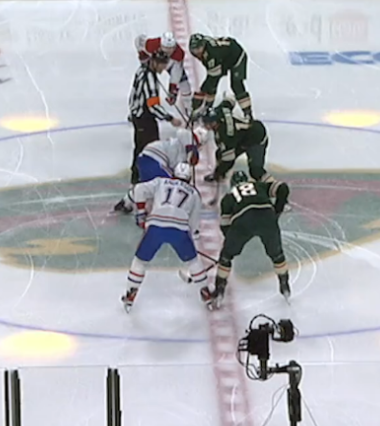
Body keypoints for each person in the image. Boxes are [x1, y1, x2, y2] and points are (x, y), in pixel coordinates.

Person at [121, 163, 210, 312]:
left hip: (156, 225)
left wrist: (141, 213)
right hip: (180, 228)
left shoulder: (160, 181)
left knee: (140, 261)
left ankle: (131, 293)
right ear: (189, 178)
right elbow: (194, 224)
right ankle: (205, 293)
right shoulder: (194, 193)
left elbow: (138, 190)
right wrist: (191, 240)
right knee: (193, 261)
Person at [209, 171, 290, 309]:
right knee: (277, 255)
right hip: (267, 216)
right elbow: (283, 188)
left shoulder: (228, 197)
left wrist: (230, 247)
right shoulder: (260, 185)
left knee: (226, 257)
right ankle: (284, 284)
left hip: (243, 220)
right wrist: (276, 212)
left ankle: (219, 291)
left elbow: (225, 227)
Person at [126, 52, 184, 195]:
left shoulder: (142, 69)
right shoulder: (150, 79)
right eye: (163, 65)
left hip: (138, 117)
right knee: (150, 149)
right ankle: (144, 180)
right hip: (144, 118)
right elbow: (153, 106)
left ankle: (136, 177)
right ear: (156, 63)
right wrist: (170, 118)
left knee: (140, 147)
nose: (164, 69)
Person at [113, 128, 200, 213]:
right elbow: (183, 133)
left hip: (147, 158)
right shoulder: (187, 138)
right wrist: (191, 149)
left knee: (149, 186)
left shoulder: (180, 148)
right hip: (154, 158)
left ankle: (126, 201)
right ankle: (163, 208)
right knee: (167, 184)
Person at [200, 98, 268, 182]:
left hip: (257, 139)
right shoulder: (220, 110)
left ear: (214, 123)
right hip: (245, 134)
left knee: (255, 171)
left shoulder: (226, 134)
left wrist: (217, 173)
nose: (204, 125)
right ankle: (221, 174)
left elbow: (229, 159)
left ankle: (271, 186)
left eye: (206, 123)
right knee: (220, 154)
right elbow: (230, 100)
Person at [189, 33, 252, 120]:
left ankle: (248, 114)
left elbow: (212, 81)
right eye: (194, 50)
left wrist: (199, 99)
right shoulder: (205, 51)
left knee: (237, 85)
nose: (197, 52)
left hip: (236, 56)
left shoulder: (212, 55)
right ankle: (207, 109)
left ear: (203, 45)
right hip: (223, 59)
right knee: (211, 86)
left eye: (198, 49)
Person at [136, 32, 190, 111]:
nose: (168, 51)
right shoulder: (151, 45)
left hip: (170, 64)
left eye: (171, 48)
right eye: (165, 48)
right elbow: (138, 41)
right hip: (154, 63)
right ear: (161, 45)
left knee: (184, 82)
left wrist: (172, 91)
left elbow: (176, 74)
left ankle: (189, 106)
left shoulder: (178, 54)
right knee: (145, 83)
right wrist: (143, 57)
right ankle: (139, 106)